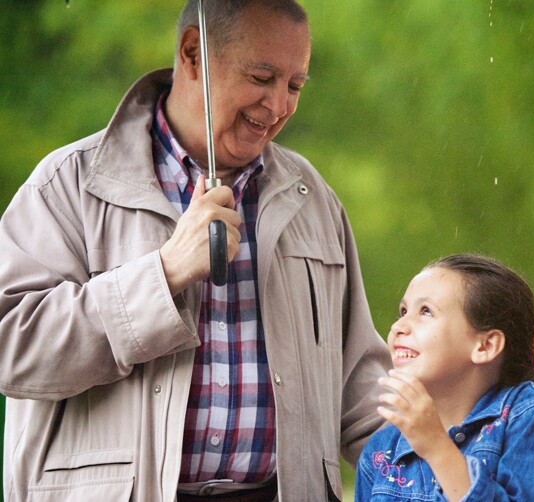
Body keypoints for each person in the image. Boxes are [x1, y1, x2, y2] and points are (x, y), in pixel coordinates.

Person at [0, 1, 391, 501]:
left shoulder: (312, 200)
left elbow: (358, 384)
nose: (278, 107)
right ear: (192, 53)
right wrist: (162, 275)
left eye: (294, 86)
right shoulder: (70, 185)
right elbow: (11, 347)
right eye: (261, 77)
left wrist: (455, 455)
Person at [355, 253, 534, 501]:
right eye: (403, 311)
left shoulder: (526, 412)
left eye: (426, 311)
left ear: (485, 346)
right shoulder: (380, 449)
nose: (399, 327)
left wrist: (437, 447)